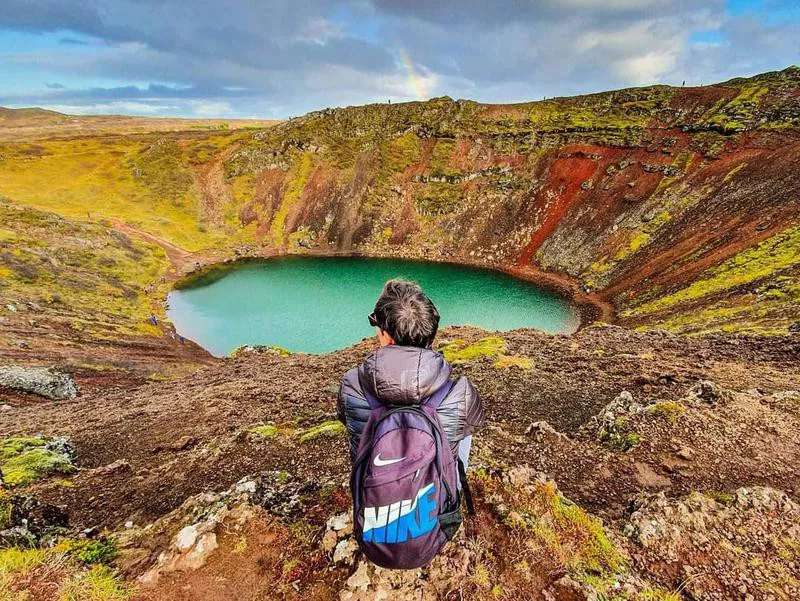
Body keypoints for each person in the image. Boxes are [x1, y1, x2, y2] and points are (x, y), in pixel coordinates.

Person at [337, 278, 485, 485]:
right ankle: (449, 496)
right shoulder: (461, 393)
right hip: (435, 511)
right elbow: (474, 424)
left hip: (374, 507)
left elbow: (349, 425)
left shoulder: (351, 385)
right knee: (460, 427)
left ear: (385, 335)